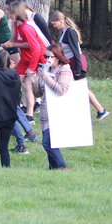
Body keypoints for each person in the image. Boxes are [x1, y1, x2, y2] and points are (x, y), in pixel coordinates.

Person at [49, 10, 110, 120]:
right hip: (71, 62)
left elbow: (75, 51)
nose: (54, 26)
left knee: (82, 88)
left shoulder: (70, 32)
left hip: (77, 62)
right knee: (75, 88)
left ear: (61, 20)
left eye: (54, 24)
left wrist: (77, 68)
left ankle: (101, 110)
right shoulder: (63, 32)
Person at [33, 42, 73, 170]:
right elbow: (38, 92)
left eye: (51, 57)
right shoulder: (47, 69)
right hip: (46, 111)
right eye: (46, 57)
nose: (48, 60)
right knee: (51, 141)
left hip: (58, 111)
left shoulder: (64, 69)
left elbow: (62, 90)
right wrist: (36, 80)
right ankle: (53, 169)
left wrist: (46, 78)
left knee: (47, 142)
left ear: (58, 57)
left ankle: (62, 166)